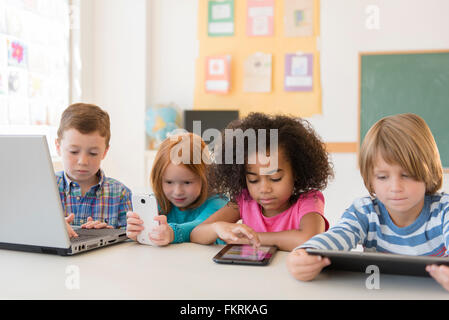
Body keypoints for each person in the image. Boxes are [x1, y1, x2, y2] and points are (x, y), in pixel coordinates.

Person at [286, 113, 449, 291]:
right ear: (370, 179)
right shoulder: (364, 212)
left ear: (429, 172)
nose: (395, 187)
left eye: (406, 175)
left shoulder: (443, 210)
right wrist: (304, 254)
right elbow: (337, 236)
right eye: (382, 177)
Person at [190, 112, 334, 251]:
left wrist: (252, 238)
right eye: (253, 180)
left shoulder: (309, 201)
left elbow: (310, 240)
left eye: (275, 178)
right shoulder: (244, 201)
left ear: (296, 172)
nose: (264, 189)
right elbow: (196, 234)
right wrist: (217, 228)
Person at [126, 132, 228, 246]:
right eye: (169, 182)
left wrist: (171, 232)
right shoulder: (157, 202)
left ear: (206, 177)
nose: (178, 192)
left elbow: (201, 227)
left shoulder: (219, 204)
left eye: (187, 182)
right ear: (158, 179)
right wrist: (138, 232)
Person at [55, 103, 132, 238]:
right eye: (73, 151)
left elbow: (132, 240)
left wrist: (111, 234)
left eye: (93, 153)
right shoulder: (45, 187)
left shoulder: (121, 194)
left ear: (104, 152)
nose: (83, 161)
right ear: (58, 147)